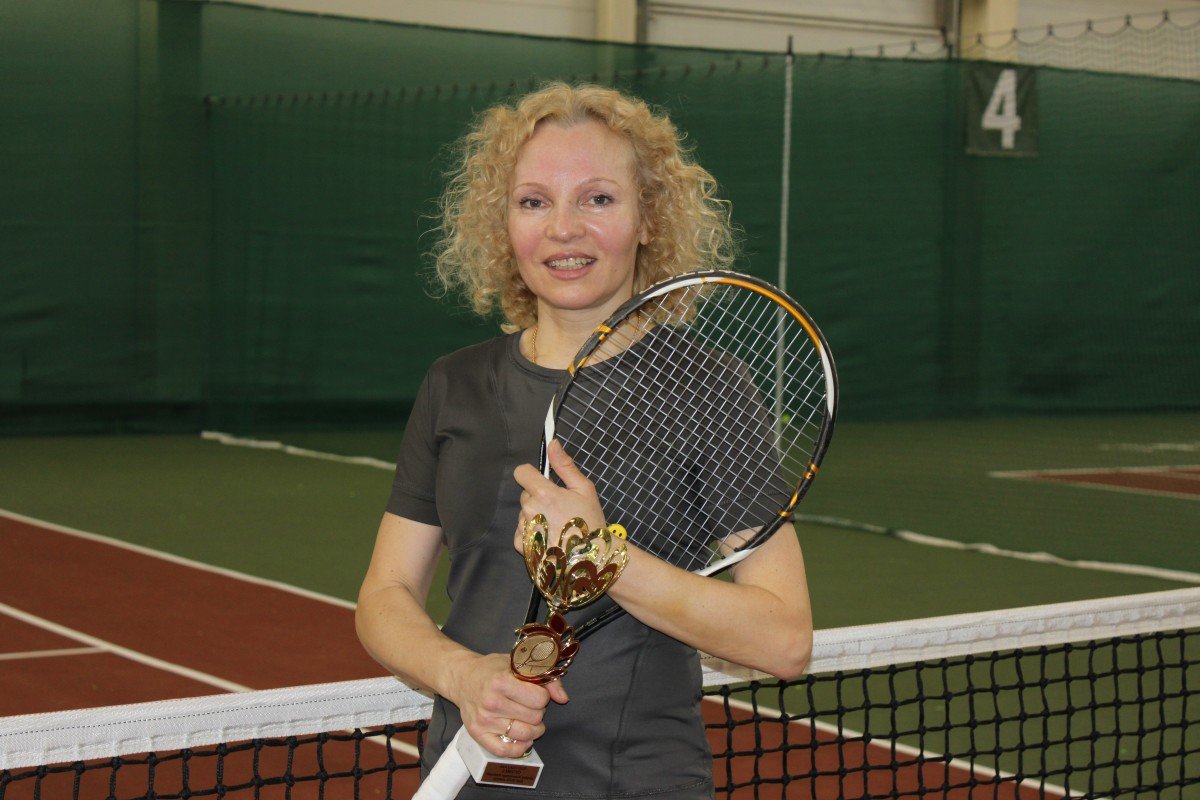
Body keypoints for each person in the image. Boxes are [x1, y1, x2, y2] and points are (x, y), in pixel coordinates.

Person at [355, 82, 813, 799]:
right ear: (502, 223)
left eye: (598, 199)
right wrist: (463, 676)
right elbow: (384, 595)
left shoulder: (709, 385)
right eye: (533, 201)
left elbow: (783, 639)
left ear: (648, 219)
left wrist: (603, 561)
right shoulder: (454, 384)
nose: (564, 229)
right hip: (466, 773)